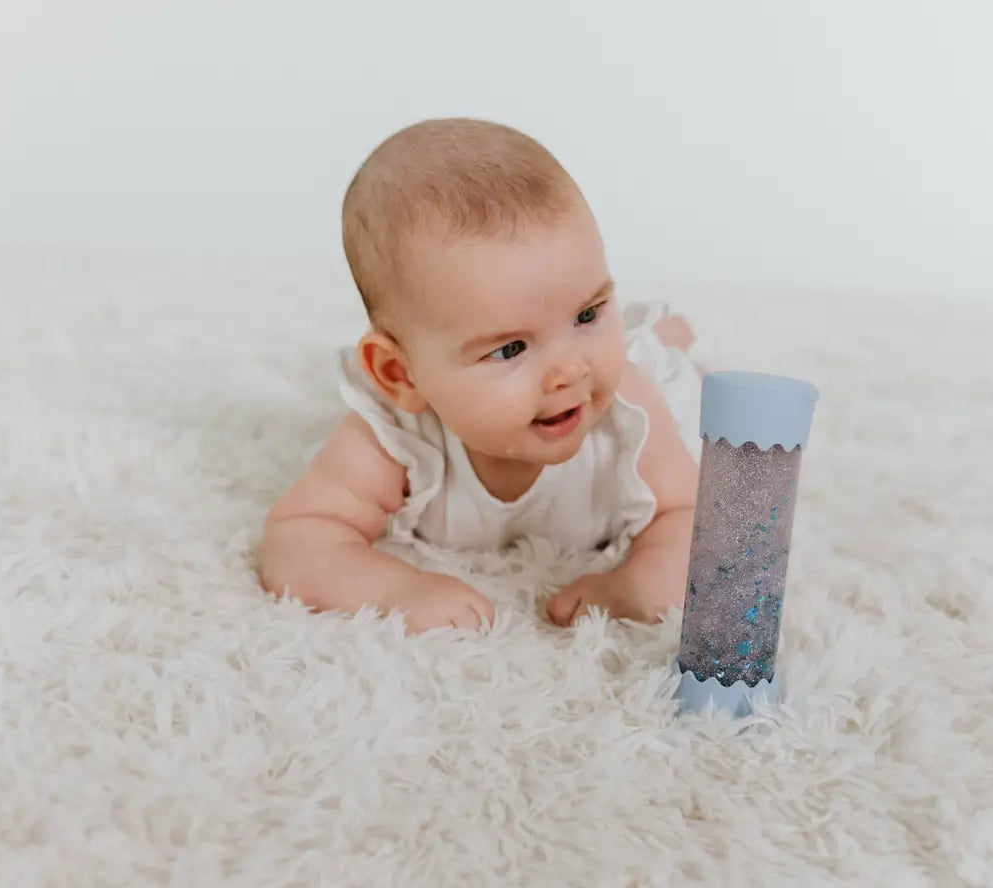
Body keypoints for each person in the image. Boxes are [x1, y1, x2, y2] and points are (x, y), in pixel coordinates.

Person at [259, 118, 705, 635]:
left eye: (588, 313)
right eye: (511, 348)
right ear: (400, 375)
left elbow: (690, 517)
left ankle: (663, 335)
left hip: (648, 375)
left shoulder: (630, 410)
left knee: (659, 361)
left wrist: (637, 585)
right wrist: (396, 592)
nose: (569, 370)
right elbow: (298, 538)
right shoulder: (394, 437)